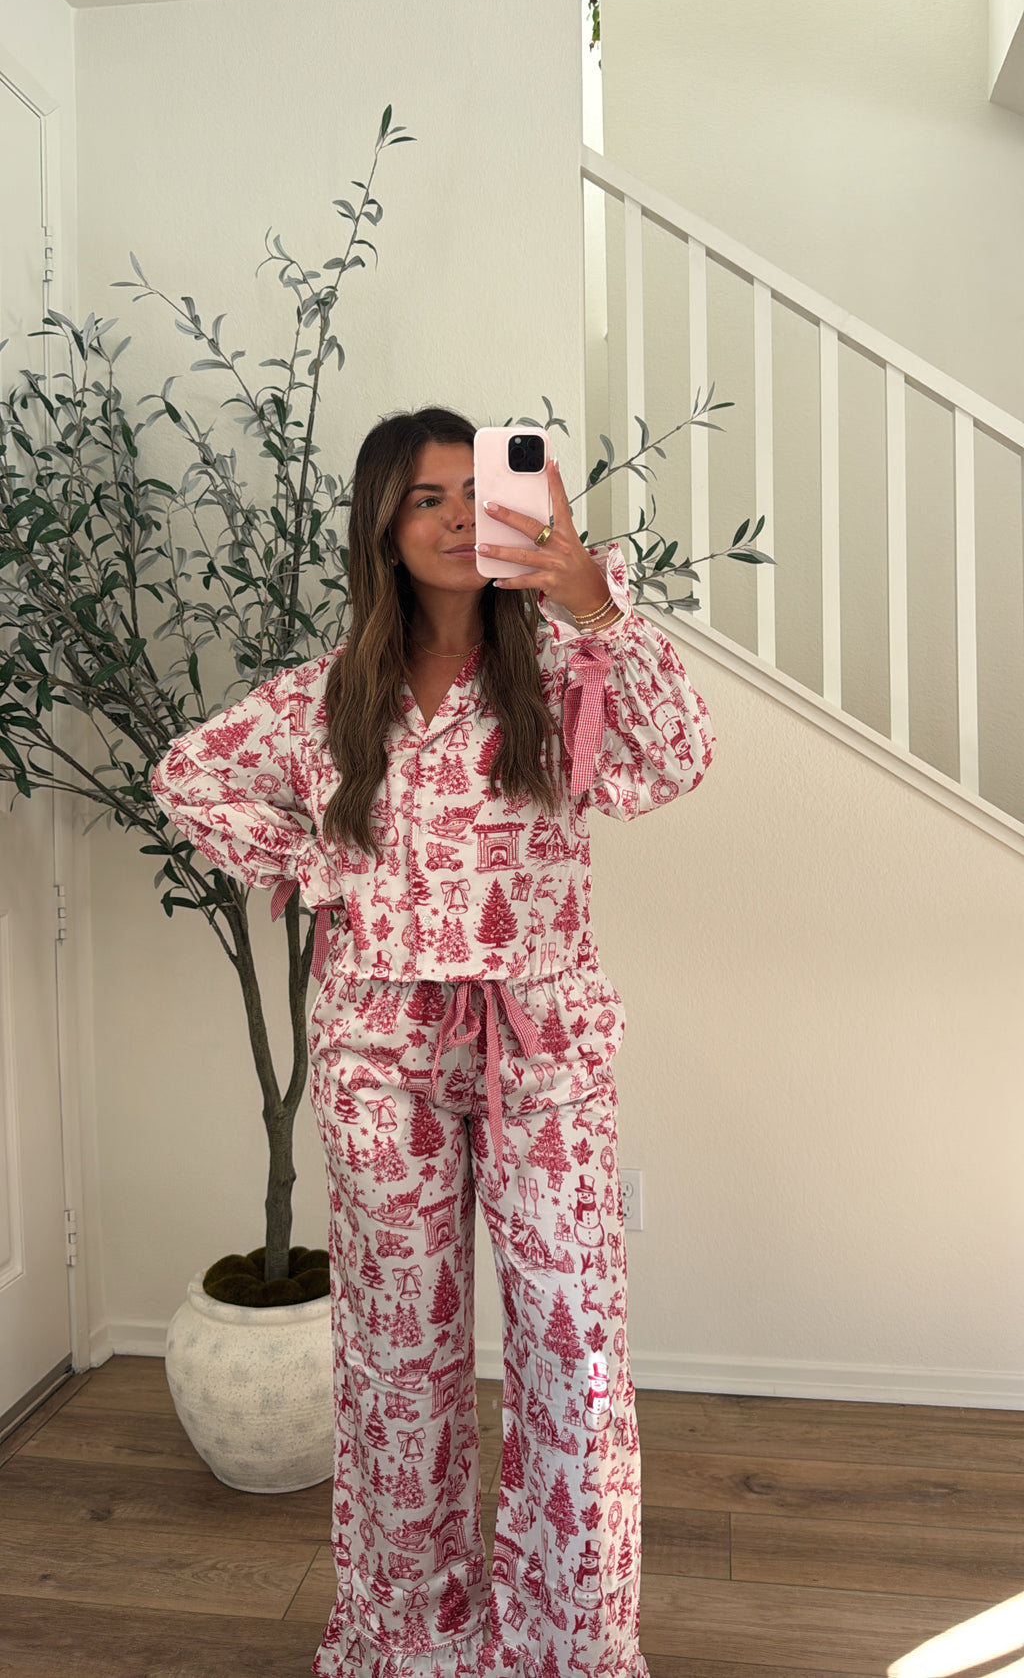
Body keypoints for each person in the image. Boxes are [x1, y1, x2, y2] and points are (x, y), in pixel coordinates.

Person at [150, 405, 716, 1678]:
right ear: (383, 527)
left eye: (481, 491)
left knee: (572, 1348)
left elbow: (679, 757)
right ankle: (410, 1636)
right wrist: (314, 865)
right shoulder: (328, 695)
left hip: (544, 1046)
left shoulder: (565, 666)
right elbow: (187, 772)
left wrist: (593, 599)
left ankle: (570, 1646)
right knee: (399, 1358)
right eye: (427, 498)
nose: (461, 516)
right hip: (378, 1051)